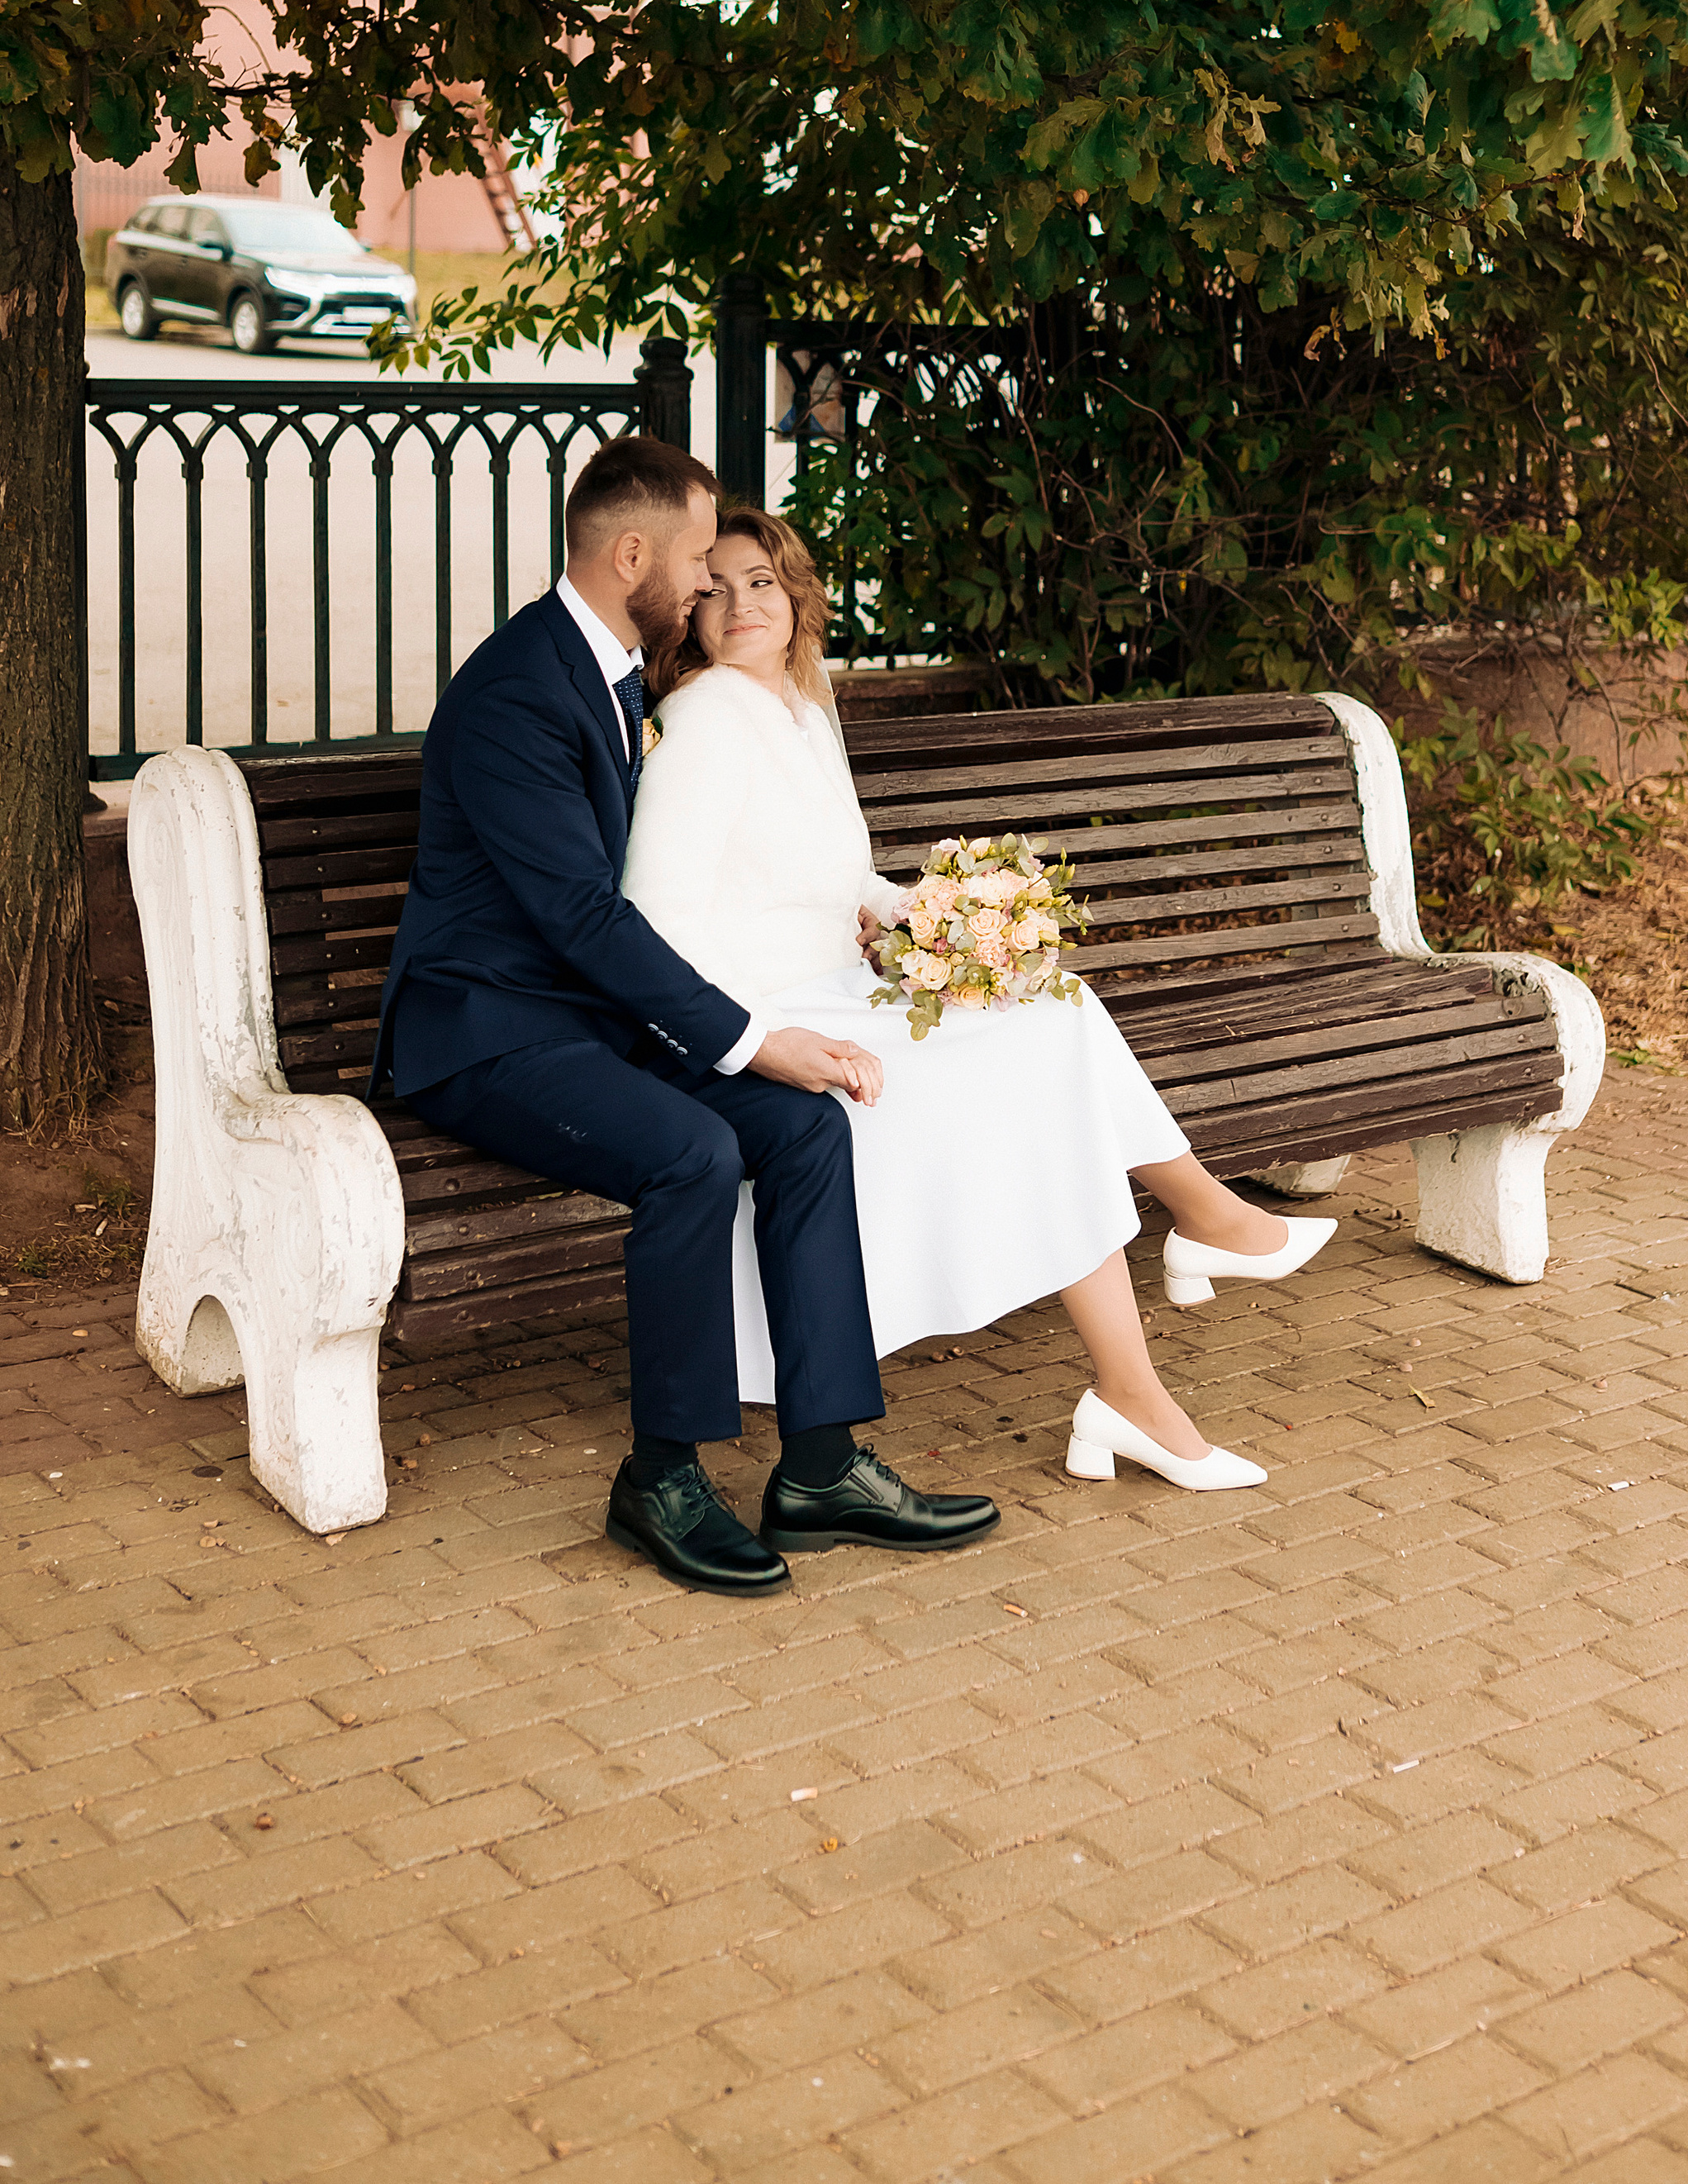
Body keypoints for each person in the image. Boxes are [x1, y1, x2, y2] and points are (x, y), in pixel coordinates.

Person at [371, 435, 1000, 1596]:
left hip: (591, 1021)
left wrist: (770, 1035)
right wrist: (756, 1035)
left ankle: (819, 1464)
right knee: (693, 1152)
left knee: (803, 1128)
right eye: (700, 559)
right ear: (630, 555)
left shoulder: (612, 664)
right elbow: (575, 915)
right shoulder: (518, 689)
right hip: (487, 1033)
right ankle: (659, 1476)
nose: (713, 581)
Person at [621, 506, 1336, 1492]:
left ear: (797, 597)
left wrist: (937, 916)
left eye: (764, 582)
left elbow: (833, 878)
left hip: (839, 987)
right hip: (767, 1015)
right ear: (692, 614)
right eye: (721, 588)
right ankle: (1184, 1270)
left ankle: (1159, 1325)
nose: (742, 605)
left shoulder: (797, 707)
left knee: (1053, 1004)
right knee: (1035, 1067)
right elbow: (652, 919)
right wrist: (758, 1037)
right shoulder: (701, 722)